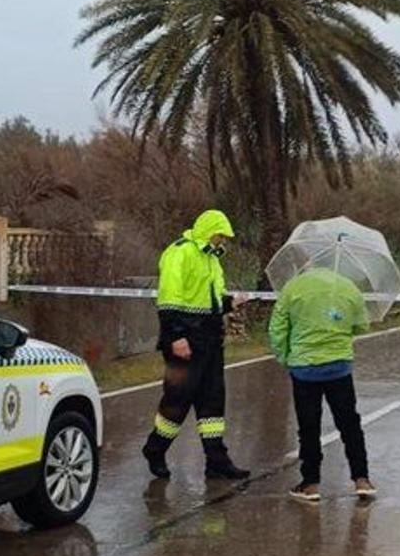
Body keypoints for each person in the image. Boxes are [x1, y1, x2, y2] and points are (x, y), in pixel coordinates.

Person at [141, 209, 251, 481]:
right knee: (178, 399)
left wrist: (229, 303)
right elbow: (169, 299)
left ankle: (216, 460)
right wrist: (176, 337)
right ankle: (155, 449)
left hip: (210, 338)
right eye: (219, 235)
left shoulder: (212, 259)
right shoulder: (181, 253)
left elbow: (208, 299)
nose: (221, 241)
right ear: (208, 231)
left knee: (213, 400)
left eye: (223, 238)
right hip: (185, 339)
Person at [269, 267, 375, 502]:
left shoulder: (293, 288)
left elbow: (278, 329)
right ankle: (362, 478)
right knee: (349, 424)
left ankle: (311, 483)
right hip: (339, 367)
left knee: (308, 426)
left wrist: (285, 357)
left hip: (305, 369)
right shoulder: (347, 286)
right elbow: (362, 325)